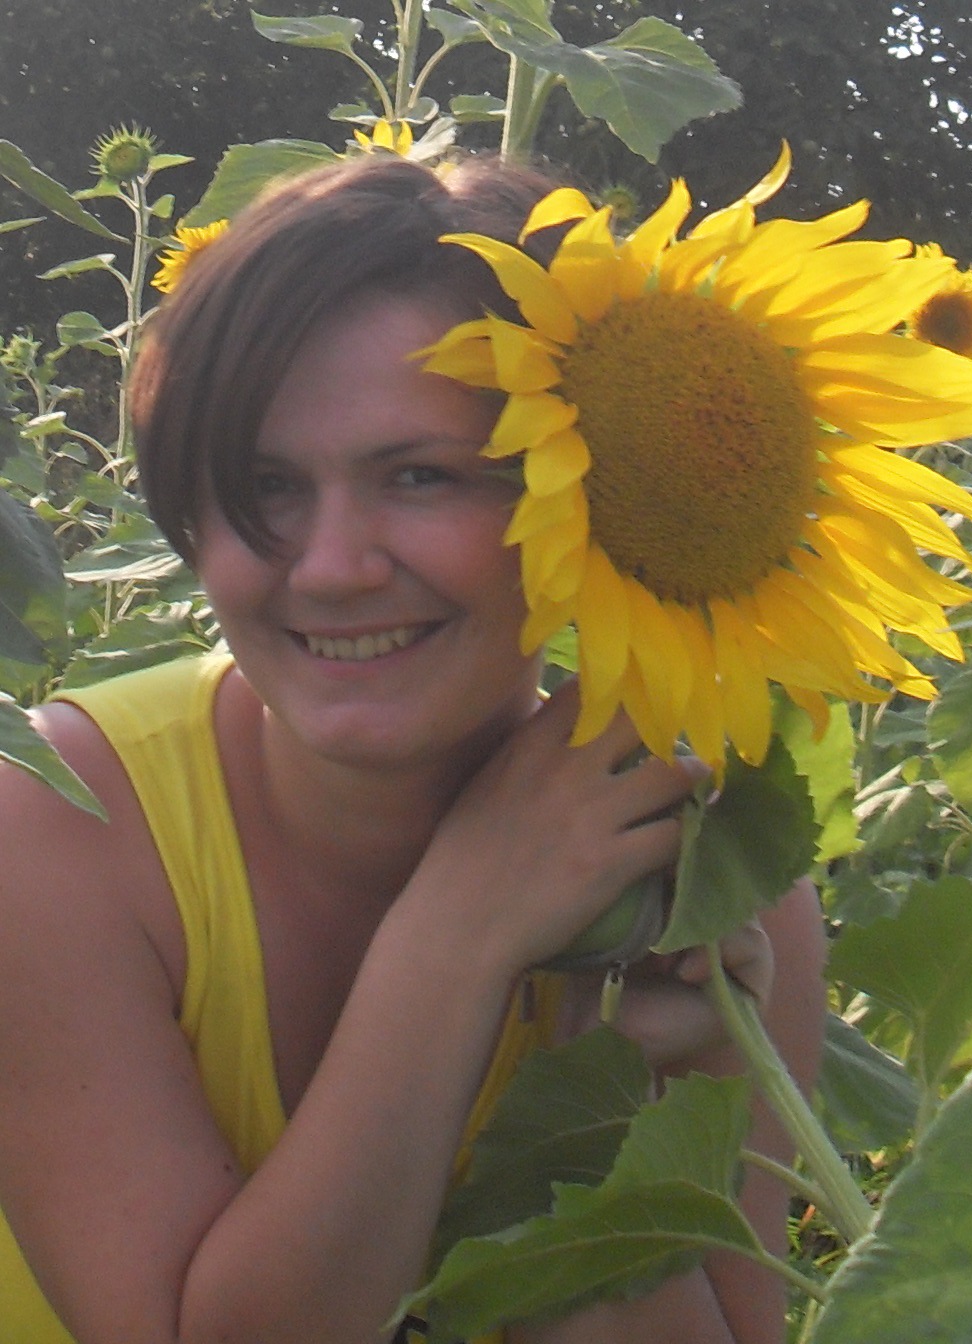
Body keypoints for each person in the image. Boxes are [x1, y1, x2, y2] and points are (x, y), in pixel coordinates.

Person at [0, 154, 826, 1344]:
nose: (334, 568)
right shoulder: (56, 827)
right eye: (266, 485)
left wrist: (603, 1096)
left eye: (422, 477)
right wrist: (457, 936)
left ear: (589, 495)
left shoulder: (711, 877)